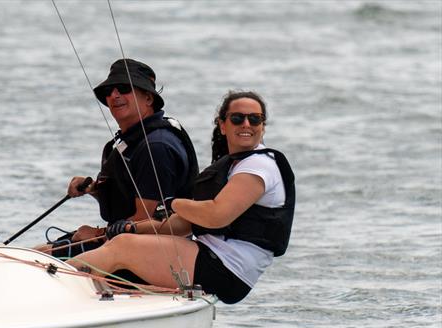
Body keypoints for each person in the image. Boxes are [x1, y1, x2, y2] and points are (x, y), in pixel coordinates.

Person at [67, 90, 295, 304]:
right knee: (121, 246)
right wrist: (132, 229)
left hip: (228, 270)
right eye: (237, 118)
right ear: (223, 125)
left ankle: (52, 285)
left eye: (254, 119)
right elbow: (183, 225)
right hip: (213, 258)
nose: (246, 124)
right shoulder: (233, 165)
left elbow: (216, 216)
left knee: (123, 248)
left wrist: (174, 203)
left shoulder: (258, 166)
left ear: (263, 127)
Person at [40, 58, 198, 258]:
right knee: (36, 252)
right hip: (125, 241)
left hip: (152, 254)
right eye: (109, 91)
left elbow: (144, 223)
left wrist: (95, 235)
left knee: (40, 257)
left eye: (124, 88)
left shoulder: (156, 147)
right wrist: (93, 189)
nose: (114, 95)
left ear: (148, 98)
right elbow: (126, 200)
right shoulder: (134, 139)